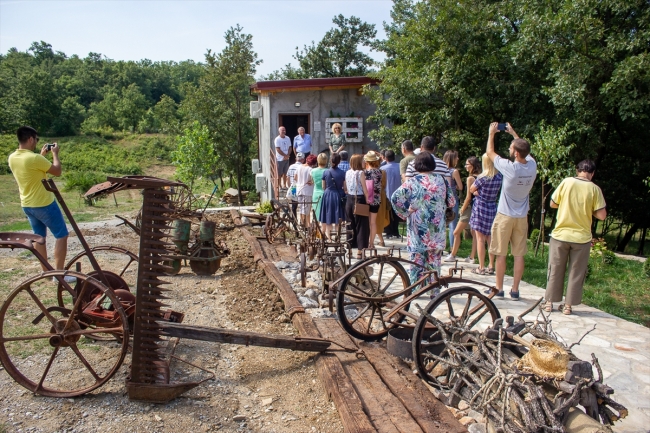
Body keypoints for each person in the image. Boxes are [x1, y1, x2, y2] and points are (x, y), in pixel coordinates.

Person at [7, 126, 73, 280]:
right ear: (30, 139)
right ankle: (59, 274)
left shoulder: (13, 157)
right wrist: (55, 154)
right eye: (36, 140)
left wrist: (41, 155)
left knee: (39, 238)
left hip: (27, 204)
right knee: (62, 235)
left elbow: (31, 169)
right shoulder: (35, 159)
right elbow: (57, 171)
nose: (36, 142)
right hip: (44, 203)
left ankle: (47, 274)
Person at [544, 160, 606, 315]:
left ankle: (549, 303)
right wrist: (588, 209)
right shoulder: (594, 189)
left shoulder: (566, 182)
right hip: (582, 238)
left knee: (555, 269)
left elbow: (552, 203)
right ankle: (568, 306)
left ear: (577, 170)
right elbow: (602, 215)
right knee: (576, 272)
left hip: (560, 234)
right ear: (592, 173)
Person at [486, 122, 537, 300]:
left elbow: (490, 153)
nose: (509, 148)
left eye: (511, 147)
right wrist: (514, 133)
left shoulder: (510, 168)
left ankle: (499, 287)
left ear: (515, 153)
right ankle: (515, 290)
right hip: (522, 216)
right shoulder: (532, 166)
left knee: (500, 253)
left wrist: (492, 133)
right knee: (519, 254)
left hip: (505, 216)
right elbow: (525, 151)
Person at [391, 152, 456, 289]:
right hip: (436, 228)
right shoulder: (442, 180)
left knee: (416, 260)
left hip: (417, 228)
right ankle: (433, 290)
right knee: (434, 261)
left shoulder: (412, 181)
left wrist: (405, 213)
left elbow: (395, 198)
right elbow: (451, 202)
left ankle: (416, 289)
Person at [469, 154, 503, 275]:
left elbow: (472, 189)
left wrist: (478, 192)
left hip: (481, 206)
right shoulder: (499, 177)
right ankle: (491, 265)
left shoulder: (482, 177)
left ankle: (481, 266)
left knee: (480, 239)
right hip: (492, 206)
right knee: (490, 238)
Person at [444, 157, 480, 264]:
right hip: (478, 207)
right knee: (474, 233)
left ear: (472, 165)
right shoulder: (482, 177)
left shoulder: (470, 179)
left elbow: (468, 197)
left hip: (469, 207)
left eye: (467, 164)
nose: (465, 167)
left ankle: (453, 254)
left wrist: (462, 209)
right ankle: (472, 257)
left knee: (456, 232)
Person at [345, 154, 370, 258]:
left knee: (350, 225)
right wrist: (368, 200)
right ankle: (360, 251)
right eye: (363, 161)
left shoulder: (347, 172)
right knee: (362, 226)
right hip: (359, 199)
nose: (364, 162)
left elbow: (345, 187)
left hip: (349, 199)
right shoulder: (361, 173)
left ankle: (349, 250)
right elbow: (365, 189)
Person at [319, 153, 347, 239]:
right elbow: (345, 187)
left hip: (328, 195)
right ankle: (337, 237)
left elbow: (323, 186)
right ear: (339, 162)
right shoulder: (342, 173)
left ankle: (329, 238)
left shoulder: (326, 172)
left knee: (328, 217)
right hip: (339, 194)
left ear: (331, 160)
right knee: (338, 217)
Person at [360, 151, 383, 248]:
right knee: (373, 222)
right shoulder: (380, 172)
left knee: (365, 222)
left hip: (366, 198)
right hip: (376, 199)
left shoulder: (365, 173)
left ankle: (364, 241)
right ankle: (371, 243)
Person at [443, 150, 463, 250]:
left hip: (442, 200)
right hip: (453, 200)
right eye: (456, 157)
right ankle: (452, 249)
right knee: (452, 226)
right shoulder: (454, 171)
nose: (458, 159)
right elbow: (460, 186)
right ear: (452, 159)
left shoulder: (442, 171)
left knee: (442, 225)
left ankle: (441, 247)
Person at [381, 150, 402, 238]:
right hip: (398, 194)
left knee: (388, 214)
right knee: (396, 214)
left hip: (387, 194)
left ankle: (388, 232)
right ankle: (396, 232)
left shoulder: (382, 169)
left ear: (385, 158)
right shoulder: (400, 167)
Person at [295, 154, 316, 227]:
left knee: (301, 207)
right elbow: (312, 180)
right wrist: (311, 182)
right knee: (307, 208)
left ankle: (302, 222)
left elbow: (295, 177)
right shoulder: (310, 169)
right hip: (307, 190)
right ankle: (307, 224)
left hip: (299, 189)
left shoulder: (299, 167)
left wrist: (300, 182)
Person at [287, 152, 305, 217]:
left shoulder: (291, 166)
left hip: (293, 187)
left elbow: (288, 178)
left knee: (294, 205)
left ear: (296, 159)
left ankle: (294, 220)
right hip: (301, 187)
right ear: (303, 160)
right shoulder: (303, 167)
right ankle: (302, 221)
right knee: (302, 206)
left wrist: (289, 187)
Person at [311, 153, 328, 224]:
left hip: (316, 192)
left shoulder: (313, 171)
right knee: (325, 214)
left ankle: (316, 231)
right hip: (325, 193)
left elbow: (312, 181)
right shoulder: (328, 171)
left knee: (316, 212)